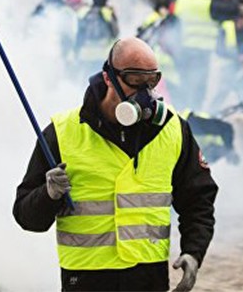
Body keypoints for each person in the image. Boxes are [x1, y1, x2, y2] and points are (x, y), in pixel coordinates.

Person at [13, 37, 218, 292]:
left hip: (147, 278)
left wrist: (194, 252)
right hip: (86, 278)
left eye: (152, 80)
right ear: (108, 77)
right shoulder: (62, 133)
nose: (145, 92)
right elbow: (26, 216)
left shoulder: (173, 130)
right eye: (134, 79)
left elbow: (198, 200)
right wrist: (48, 194)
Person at [72, 0, 119, 80]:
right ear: (105, 0)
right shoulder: (108, 13)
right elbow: (115, 33)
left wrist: (76, 52)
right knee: (100, 84)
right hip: (103, 56)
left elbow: (78, 35)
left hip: (85, 55)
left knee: (85, 83)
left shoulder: (83, 12)